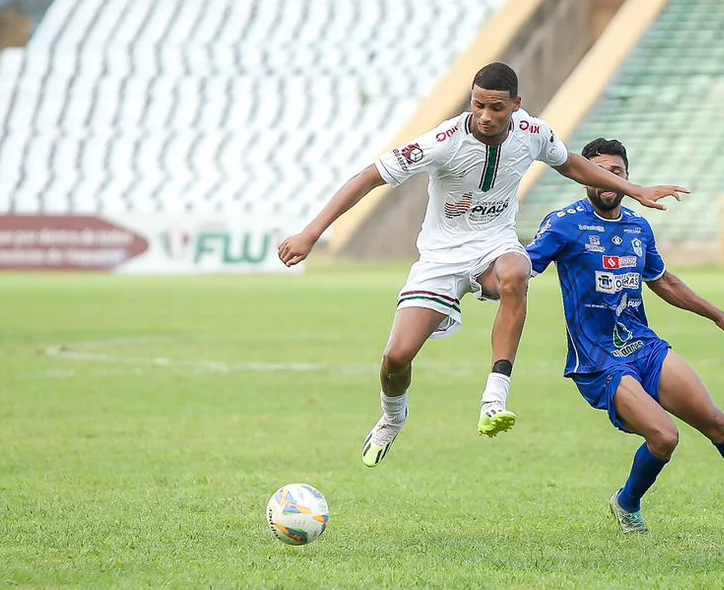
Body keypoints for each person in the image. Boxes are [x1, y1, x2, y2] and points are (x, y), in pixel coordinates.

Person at [276, 64, 689, 469]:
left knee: (517, 271)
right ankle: (393, 417)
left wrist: (634, 191)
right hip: (440, 259)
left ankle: (495, 396)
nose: (486, 117)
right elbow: (369, 177)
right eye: (478, 106)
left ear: (515, 106)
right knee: (397, 358)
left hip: (494, 246)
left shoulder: (533, 133)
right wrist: (312, 233)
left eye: (496, 108)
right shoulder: (442, 141)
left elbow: (572, 164)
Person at [525, 138, 724, 532]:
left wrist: (717, 315)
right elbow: (524, 267)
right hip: (600, 358)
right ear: (584, 177)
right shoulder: (564, 223)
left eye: (616, 172)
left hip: (645, 346)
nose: (608, 179)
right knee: (664, 438)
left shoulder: (638, 226)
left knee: (717, 423)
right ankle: (627, 502)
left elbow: (664, 282)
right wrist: (485, 279)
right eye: (599, 172)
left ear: (627, 177)